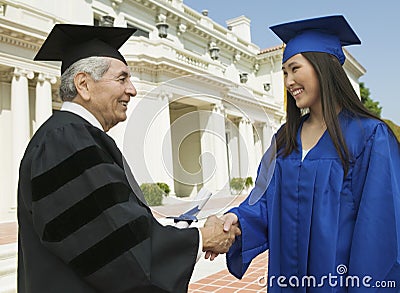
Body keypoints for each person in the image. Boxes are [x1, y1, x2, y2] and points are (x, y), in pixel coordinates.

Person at [17, 24, 240, 293]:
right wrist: (201, 238)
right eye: (122, 79)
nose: (132, 90)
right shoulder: (66, 140)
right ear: (84, 84)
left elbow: (111, 225)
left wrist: (174, 228)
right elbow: (116, 249)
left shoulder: (73, 136)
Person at [217, 15, 400, 292]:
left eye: (295, 69)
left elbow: (379, 227)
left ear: (322, 67)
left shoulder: (370, 136)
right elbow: (264, 200)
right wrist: (238, 219)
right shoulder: (285, 139)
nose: (289, 81)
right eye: (284, 73)